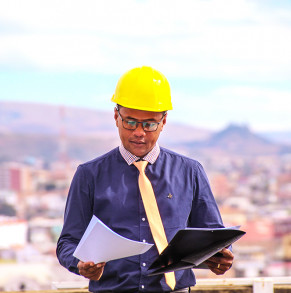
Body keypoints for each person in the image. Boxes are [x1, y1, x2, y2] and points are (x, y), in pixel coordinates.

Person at [56, 66, 234, 293]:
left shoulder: (190, 172)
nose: (139, 132)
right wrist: (80, 264)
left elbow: (213, 235)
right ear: (116, 117)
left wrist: (221, 255)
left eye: (149, 124)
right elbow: (67, 243)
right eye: (130, 122)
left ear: (164, 122)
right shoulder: (89, 175)